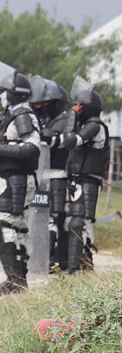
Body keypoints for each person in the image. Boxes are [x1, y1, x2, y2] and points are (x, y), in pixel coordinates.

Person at [0, 63, 41, 296]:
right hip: (10, 178)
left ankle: (15, 281)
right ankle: (17, 282)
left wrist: (2, 147)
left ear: (14, 93)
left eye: (4, 91)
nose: (1, 96)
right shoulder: (13, 114)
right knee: (15, 229)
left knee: (2, 227)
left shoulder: (23, 115)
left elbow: (32, 148)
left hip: (18, 179)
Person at [58, 76, 109, 273]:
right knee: (72, 221)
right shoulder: (85, 125)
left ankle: (82, 266)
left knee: (82, 222)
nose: (76, 109)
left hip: (88, 180)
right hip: (77, 179)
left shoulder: (95, 125)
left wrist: (71, 116)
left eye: (80, 106)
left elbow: (71, 141)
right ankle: (74, 266)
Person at [32, 78, 70, 272]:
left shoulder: (64, 119)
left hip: (60, 175)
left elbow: (50, 137)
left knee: (58, 216)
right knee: (44, 216)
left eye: (47, 103)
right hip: (45, 174)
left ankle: (58, 258)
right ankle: (43, 256)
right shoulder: (48, 119)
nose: (44, 107)